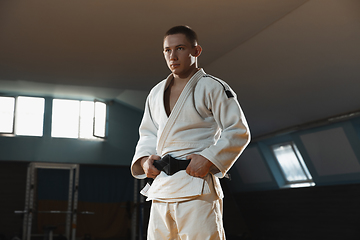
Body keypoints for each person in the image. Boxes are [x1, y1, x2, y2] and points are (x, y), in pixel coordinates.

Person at [130, 25, 250, 240]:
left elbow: (238, 130)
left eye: (180, 48)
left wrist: (209, 159)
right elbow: (148, 134)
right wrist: (145, 160)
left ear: (196, 51)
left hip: (196, 186)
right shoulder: (156, 93)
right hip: (161, 188)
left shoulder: (212, 87)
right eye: (167, 50)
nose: (173, 56)